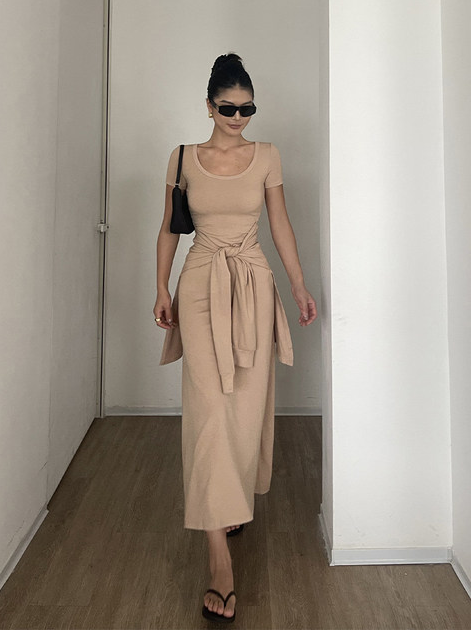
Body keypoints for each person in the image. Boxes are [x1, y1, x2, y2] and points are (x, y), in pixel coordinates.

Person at [154, 52, 317, 624]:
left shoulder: (267, 155)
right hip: (201, 284)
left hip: (252, 283)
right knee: (207, 409)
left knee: (245, 406)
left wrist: (298, 284)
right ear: (208, 107)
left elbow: (280, 222)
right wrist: (161, 288)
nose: (239, 118)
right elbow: (169, 228)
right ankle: (218, 558)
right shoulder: (182, 157)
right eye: (229, 109)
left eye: (248, 108)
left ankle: (232, 502)